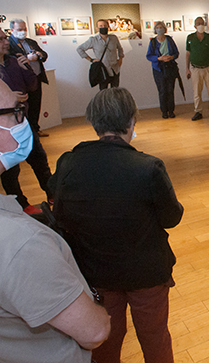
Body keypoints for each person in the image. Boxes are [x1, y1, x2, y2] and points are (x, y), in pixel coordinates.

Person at [50, 88, 184, 363]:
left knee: (105, 342)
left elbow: (61, 214)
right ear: (132, 120)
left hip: (97, 272)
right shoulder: (148, 167)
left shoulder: (69, 163)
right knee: (154, 337)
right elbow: (172, 217)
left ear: (94, 121)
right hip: (146, 273)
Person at [0, 78, 111, 363]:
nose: (22, 121)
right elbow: (94, 331)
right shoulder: (21, 243)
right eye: (16, 112)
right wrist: (99, 308)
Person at [0, 29, 52, 214]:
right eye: (1, 39)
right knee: (11, 169)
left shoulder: (14, 62)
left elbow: (32, 86)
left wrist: (26, 69)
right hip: (4, 127)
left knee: (38, 158)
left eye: (5, 38)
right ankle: (21, 204)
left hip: (23, 120)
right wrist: (7, 96)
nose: (6, 42)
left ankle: (52, 193)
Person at [8, 18, 49, 136]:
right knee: (25, 107)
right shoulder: (10, 43)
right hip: (21, 81)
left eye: (24, 29)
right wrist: (27, 57)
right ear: (12, 30)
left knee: (36, 105)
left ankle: (35, 130)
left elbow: (44, 55)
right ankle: (27, 133)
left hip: (36, 77)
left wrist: (38, 55)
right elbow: (10, 59)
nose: (23, 31)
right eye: (19, 29)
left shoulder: (31, 42)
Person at [186, 17, 209, 121]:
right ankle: (198, 111)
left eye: (202, 23)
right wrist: (187, 69)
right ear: (195, 26)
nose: (200, 25)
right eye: (198, 23)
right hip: (195, 68)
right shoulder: (190, 37)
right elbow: (188, 54)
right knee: (196, 92)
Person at [76, 19, 124, 90]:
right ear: (97, 28)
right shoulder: (93, 40)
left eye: (105, 26)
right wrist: (91, 60)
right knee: (103, 92)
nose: (103, 27)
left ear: (108, 27)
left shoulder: (114, 38)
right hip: (102, 70)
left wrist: (120, 59)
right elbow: (80, 49)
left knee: (115, 92)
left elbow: (120, 48)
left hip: (115, 69)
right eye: (101, 26)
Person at [146, 21, 180, 119]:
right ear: (155, 30)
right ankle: (164, 111)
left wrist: (171, 57)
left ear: (165, 29)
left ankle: (171, 111)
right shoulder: (153, 41)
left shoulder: (169, 40)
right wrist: (159, 58)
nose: (160, 29)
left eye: (161, 27)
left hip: (170, 67)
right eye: (158, 27)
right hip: (158, 69)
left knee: (170, 90)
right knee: (162, 90)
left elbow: (176, 53)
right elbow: (149, 56)